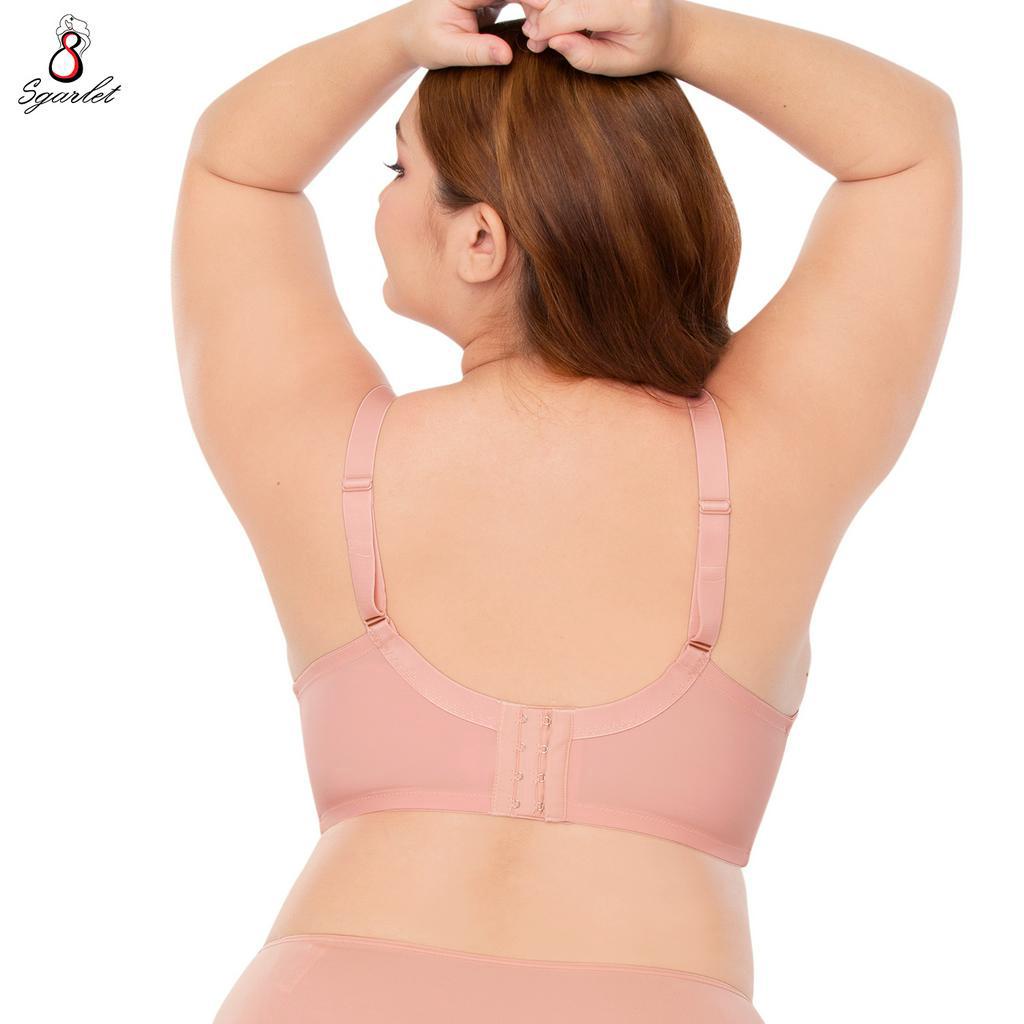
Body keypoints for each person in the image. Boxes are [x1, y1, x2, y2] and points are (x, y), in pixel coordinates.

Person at [171, 1, 961, 1020]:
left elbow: (237, 169)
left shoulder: (326, 460)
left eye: (397, 169)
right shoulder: (768, 463)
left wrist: (399, 36)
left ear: (481, 238)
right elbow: (906, 147)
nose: (382, 198)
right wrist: (677, 36)